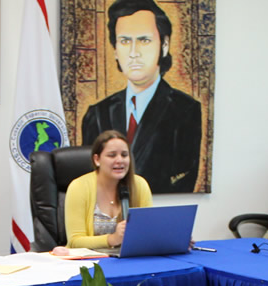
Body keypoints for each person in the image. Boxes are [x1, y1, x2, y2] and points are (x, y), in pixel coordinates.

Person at [81, 0, 201, 194]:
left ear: (164, 45)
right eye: (125, 41)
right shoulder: (97, 113)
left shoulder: (185, 110)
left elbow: (182, 179)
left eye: (144, 40)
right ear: (115, 50)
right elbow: (89, 178)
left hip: (154, 214)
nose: (134, 53)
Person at [65, 130, 153, 249]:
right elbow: (75, 241)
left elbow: (148, 232)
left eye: (124, 155)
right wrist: (112, 239)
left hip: (127, 261)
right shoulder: (79, 187)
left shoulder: (139, 184)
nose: (119, 160)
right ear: (97, 159)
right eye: (112, 155)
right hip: (90, 262)